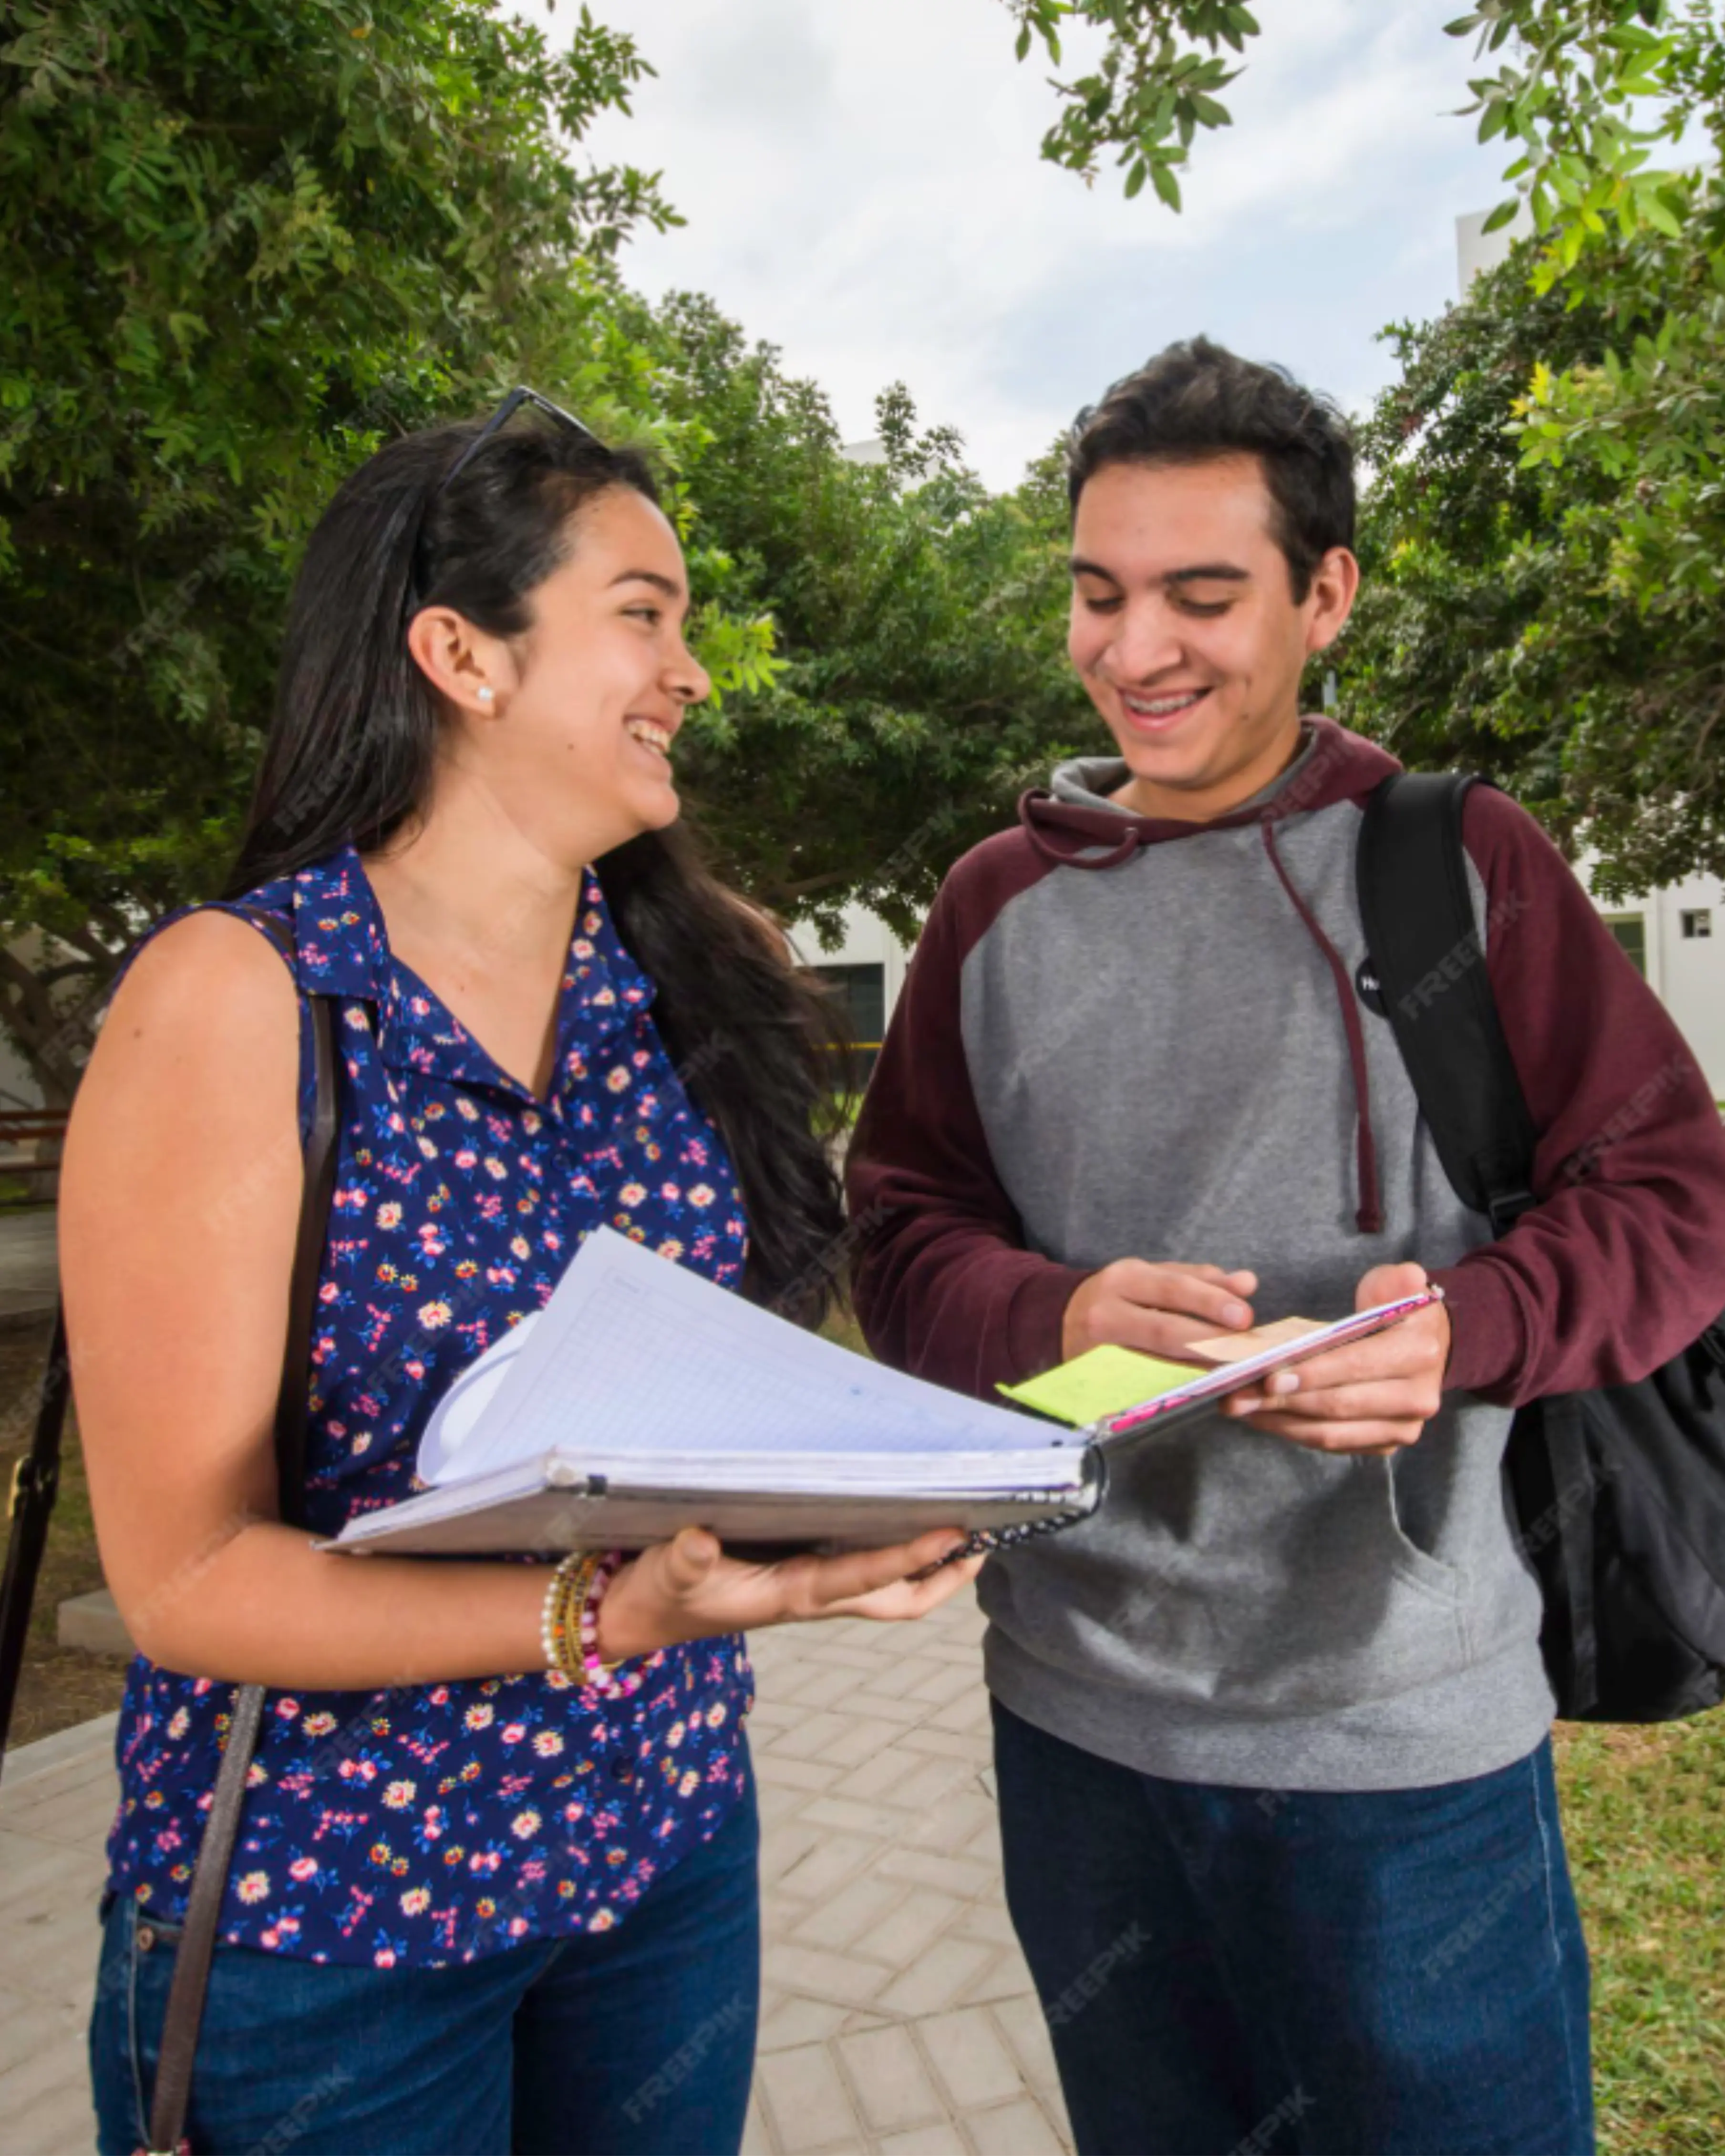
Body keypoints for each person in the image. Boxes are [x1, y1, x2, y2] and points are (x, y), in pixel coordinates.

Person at [63, 392, 980, 2156]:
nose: (690, 674)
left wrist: (850, 1510)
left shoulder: (685, 983)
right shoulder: (243, 999)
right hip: (334, 1927)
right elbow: (183, 1579)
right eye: (643, 614)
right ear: (461, 656)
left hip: (663, 1851)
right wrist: (601, 1617)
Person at [846, 338, 1725, 2156]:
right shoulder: (991, 908)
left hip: (1404, 1748)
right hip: (1076, 1730)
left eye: (1201, 594)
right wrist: (1052, 1311)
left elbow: (1675, 1196)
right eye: (1098, 593)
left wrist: (1473, 1326)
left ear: (1326, 597)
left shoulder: (1460, 860)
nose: (1135, 648)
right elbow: (903, 1231)